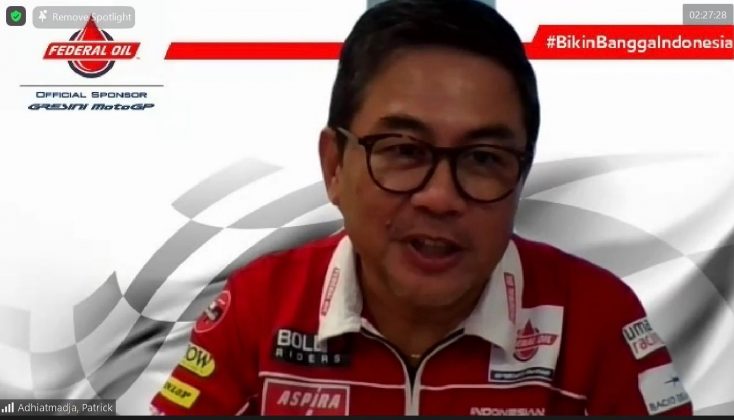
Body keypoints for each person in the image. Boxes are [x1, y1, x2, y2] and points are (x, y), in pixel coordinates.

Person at [150, 0, 693, 415]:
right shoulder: (259, 308)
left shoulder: (596, 318)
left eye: (483, 158)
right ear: (334, 166)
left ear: (521, 177)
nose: (440, 198)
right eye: (404, 151)